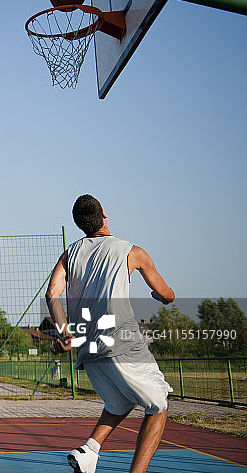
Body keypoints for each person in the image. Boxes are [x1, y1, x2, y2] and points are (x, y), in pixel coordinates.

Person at [45, 194, 175, 473]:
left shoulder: (71, 253)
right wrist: (159, 296)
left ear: (79, 224)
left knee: (120, 401)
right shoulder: (131, 251)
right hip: (121, 344)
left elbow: (52, 293)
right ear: (104, 214)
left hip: (88, 350)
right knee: (159, 405)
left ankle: (90, 449)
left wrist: (65, 331)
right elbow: (168, 294)